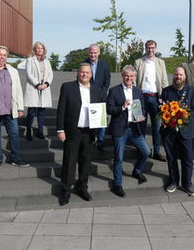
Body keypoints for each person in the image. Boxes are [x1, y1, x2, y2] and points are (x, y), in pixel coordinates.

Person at [56, 63, 107, 206]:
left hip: (88, 132)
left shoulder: (97, 90)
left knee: (86, 162)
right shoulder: (67, 87)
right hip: (72, 131)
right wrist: (60, 129)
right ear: (78, 73)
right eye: (82, 72)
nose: (84, 74)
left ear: (91, 75)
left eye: (87, 72)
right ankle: (66, 190)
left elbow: (103, 109)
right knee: (69, 162)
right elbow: (61, 110)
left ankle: (82, 188)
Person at [107, 65, 151, 197]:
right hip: (120, 128)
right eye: (127, 75)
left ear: (135, 77)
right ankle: (117, 184)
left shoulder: (138, 91)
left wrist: (142, 115)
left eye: (131, 76)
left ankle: (136, 170)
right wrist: (122, 107)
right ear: (122, 76)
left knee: (146, 151)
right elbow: (108, 109)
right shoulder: (114, 91)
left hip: (135, 128)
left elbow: (143, 108)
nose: (129, 78)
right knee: (119, 158)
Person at [160, 67, 194, 196]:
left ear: (185, 76)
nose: (178, 76)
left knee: (187, 159)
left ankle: (187, 184)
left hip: (186, 131)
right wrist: (168, 120)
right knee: (171, 158)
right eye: (176, 74)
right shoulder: (166, 91)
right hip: (169, 132)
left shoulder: (192, 91)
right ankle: (173, 181)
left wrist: (182, 118)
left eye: (180, 74)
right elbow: (160, 109)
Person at [134, 39, 168, 162]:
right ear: (145, 48)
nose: (150, 50)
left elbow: (164, 81)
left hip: (155, 98)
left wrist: (164, 97)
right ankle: (142, 150)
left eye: (152, 47)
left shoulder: (161, 63)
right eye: (148, 47)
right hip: (141, 97)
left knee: (157, 126)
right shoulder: (138, 62)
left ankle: (157, 151)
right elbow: (134, 80)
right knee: (140, 125)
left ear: (156, 49)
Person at [24, 41, 54, 141]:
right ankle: (28, 131)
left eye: (42, 48)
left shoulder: (47, 61)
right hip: (34, 87)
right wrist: (37, 84)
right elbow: (29, 74)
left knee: (41, 113)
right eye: (38, 48)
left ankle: (40, 131)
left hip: (44, 87)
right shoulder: (30, 60)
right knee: (31, 113)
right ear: (35, 49)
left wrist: (46, 84)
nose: (40, 50)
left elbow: (50, 74)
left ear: (44, 50)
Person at [84, 44, 111, 151]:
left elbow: (107, 80)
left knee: (101, 120)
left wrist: (101, 93)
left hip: (101, 96)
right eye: (91, 52)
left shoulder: (104, 65)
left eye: (95, 52)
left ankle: (100, 141)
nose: (93, 54)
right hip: (87, 96)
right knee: (89, 119)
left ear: (99, 53)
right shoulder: (84, 63)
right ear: (88, 53)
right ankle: (90, 139)